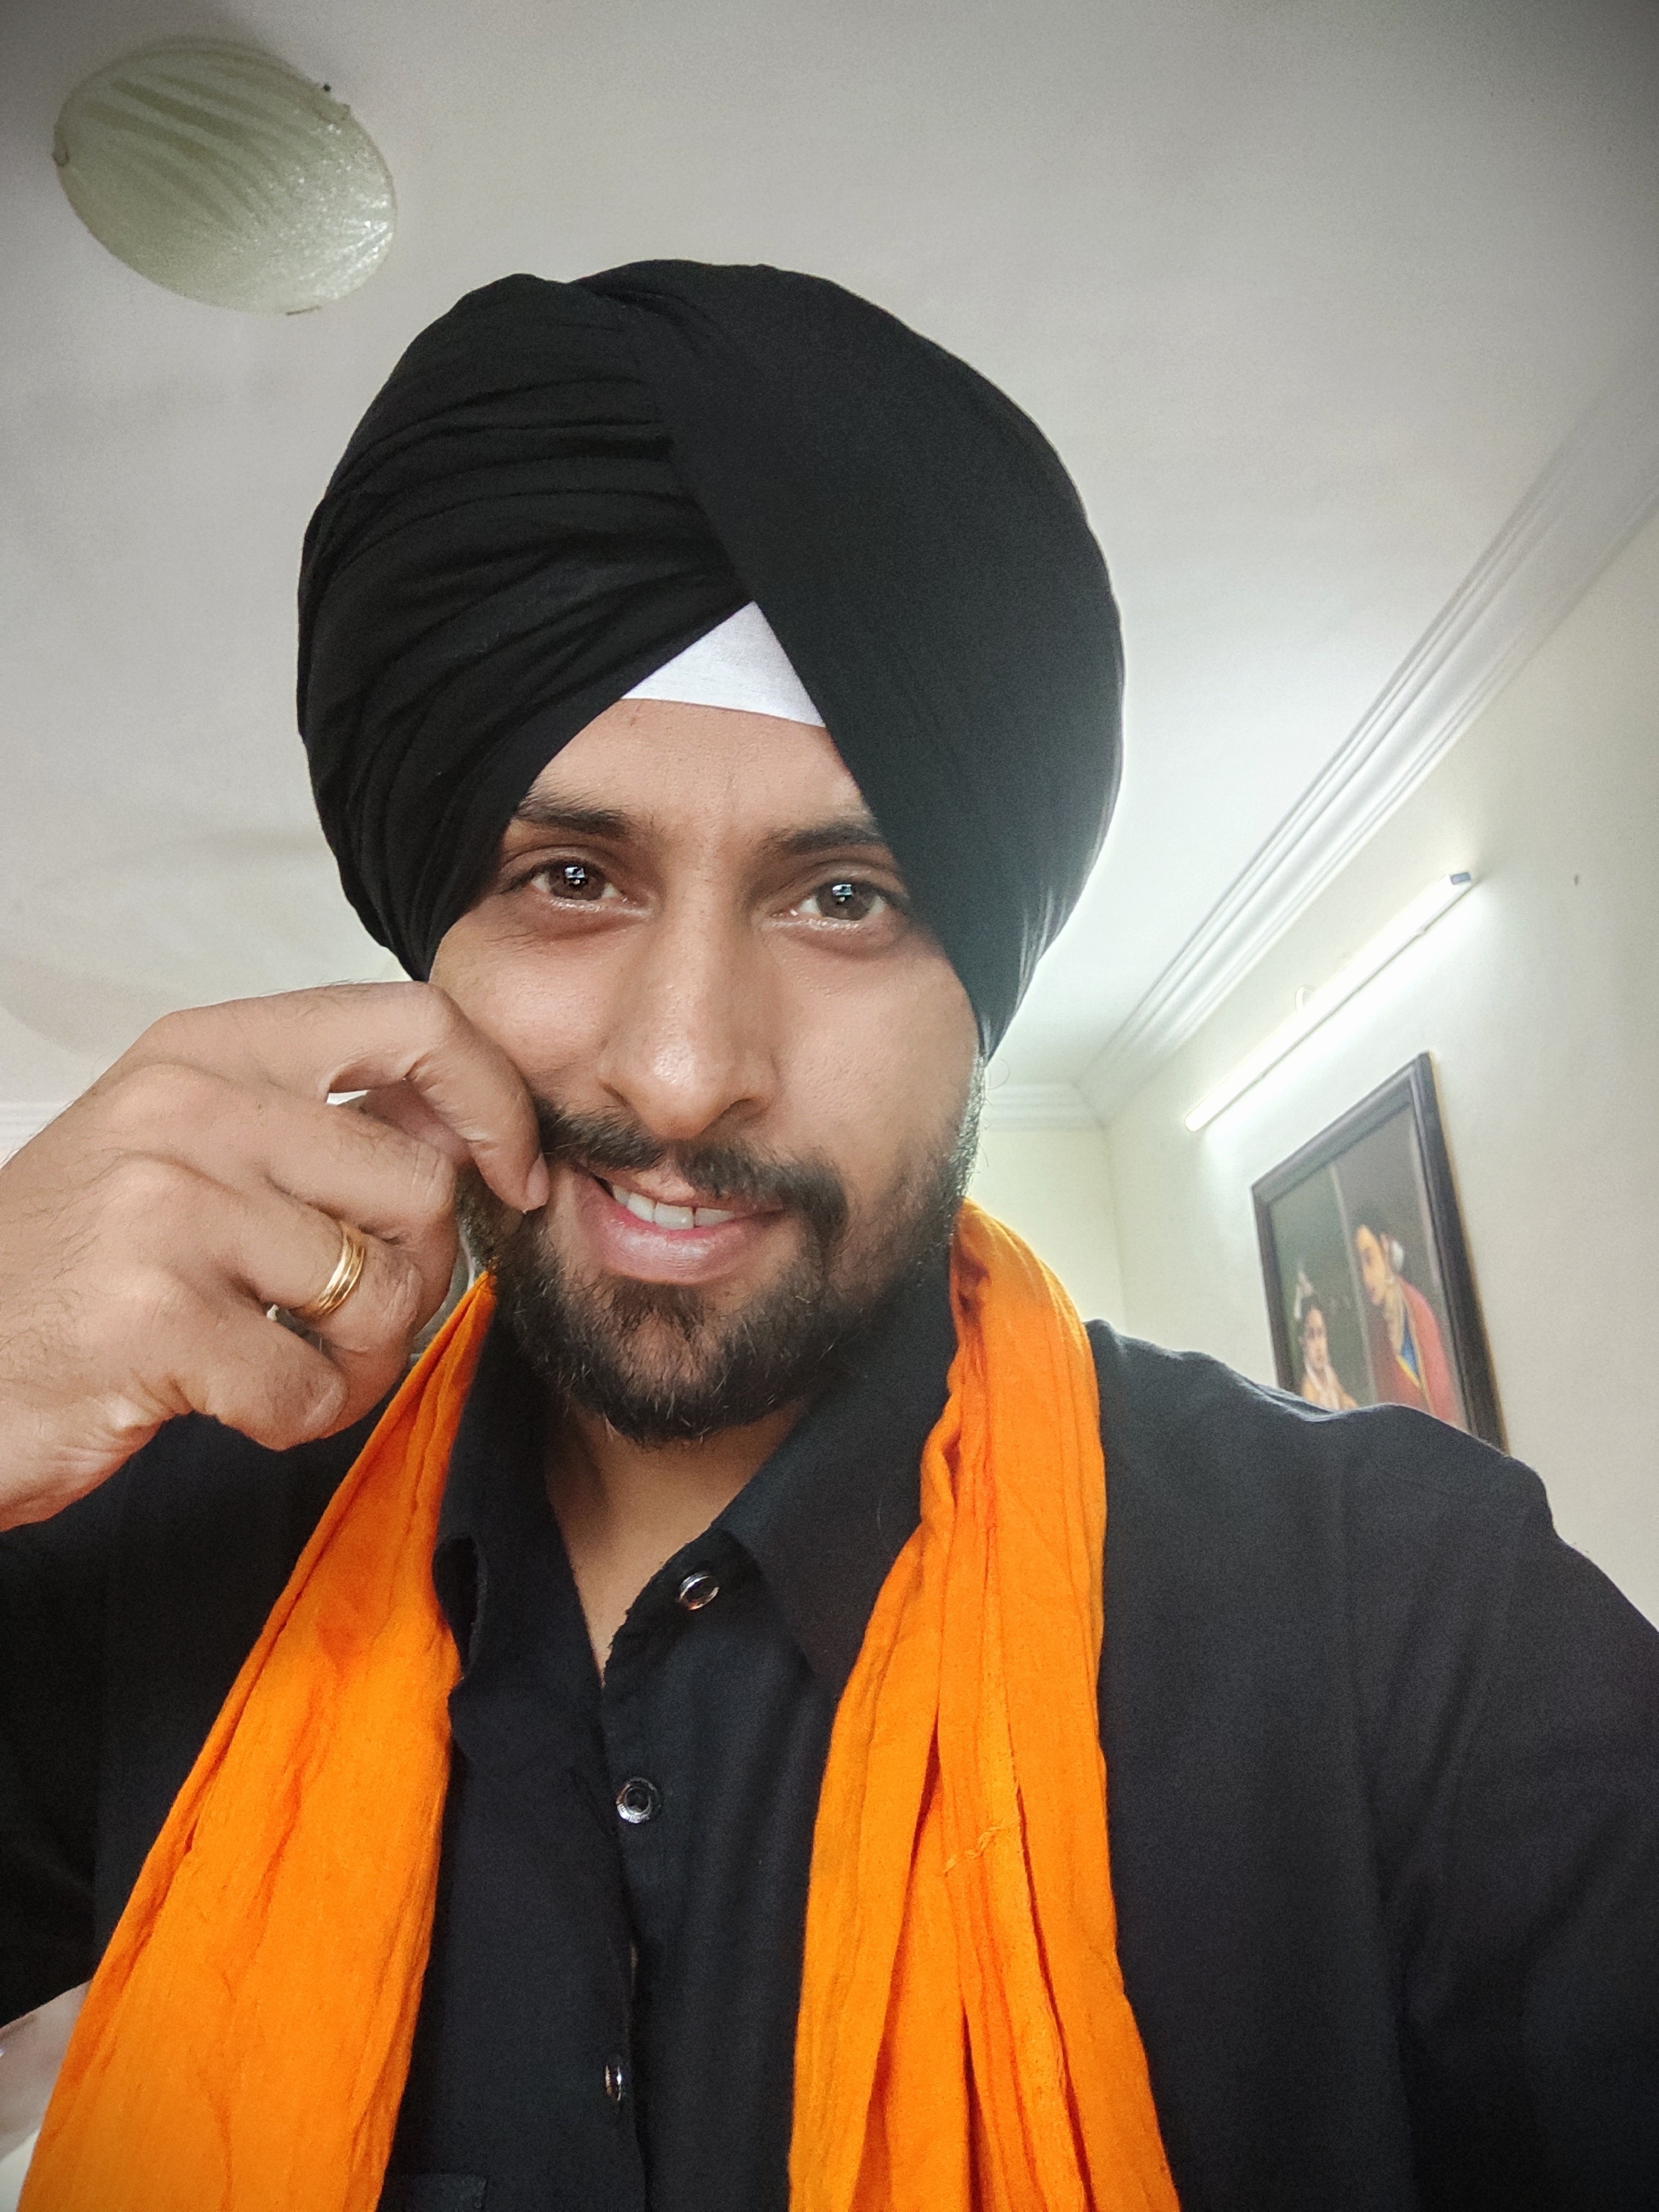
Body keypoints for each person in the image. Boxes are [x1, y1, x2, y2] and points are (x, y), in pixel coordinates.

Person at [0, 263, 1656, 2212]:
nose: (687, 1069)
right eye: (571, 875)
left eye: (847, 896)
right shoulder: (155, 1549)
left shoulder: (1404, 1617)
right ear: (430, 952)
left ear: (986, 989)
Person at [1352, 1205, 1463, 1426]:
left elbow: (1442, 1404)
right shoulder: (1379, 1329)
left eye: (1369, 1260)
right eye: (1360, 1266)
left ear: (1385, 1247)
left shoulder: (1418, 1312)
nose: (1366, 1277)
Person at [1293, 1275, 1358, 1411]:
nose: (1319, 1346)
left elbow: (1344, 1401)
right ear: (1303, 1342)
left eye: (1321, 1334)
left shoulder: (1330, 1375)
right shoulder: (1309, 1389)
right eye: (1311, 1337)